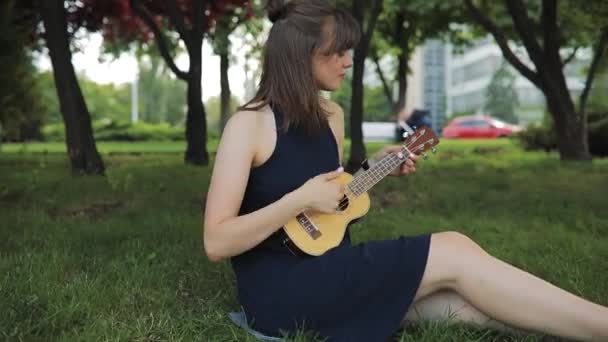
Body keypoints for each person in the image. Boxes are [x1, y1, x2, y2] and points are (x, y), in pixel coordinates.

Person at [203, 1, 608, 341]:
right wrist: (298, 200)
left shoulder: (332, 116)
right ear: (301, 52)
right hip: (280, 291)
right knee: (452, 249)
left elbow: (332, 201)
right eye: (338, 51)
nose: (349, 61)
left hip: (330, 268)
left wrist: (372, 169)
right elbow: (216, 242)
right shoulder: (249, 124)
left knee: (459, 304)